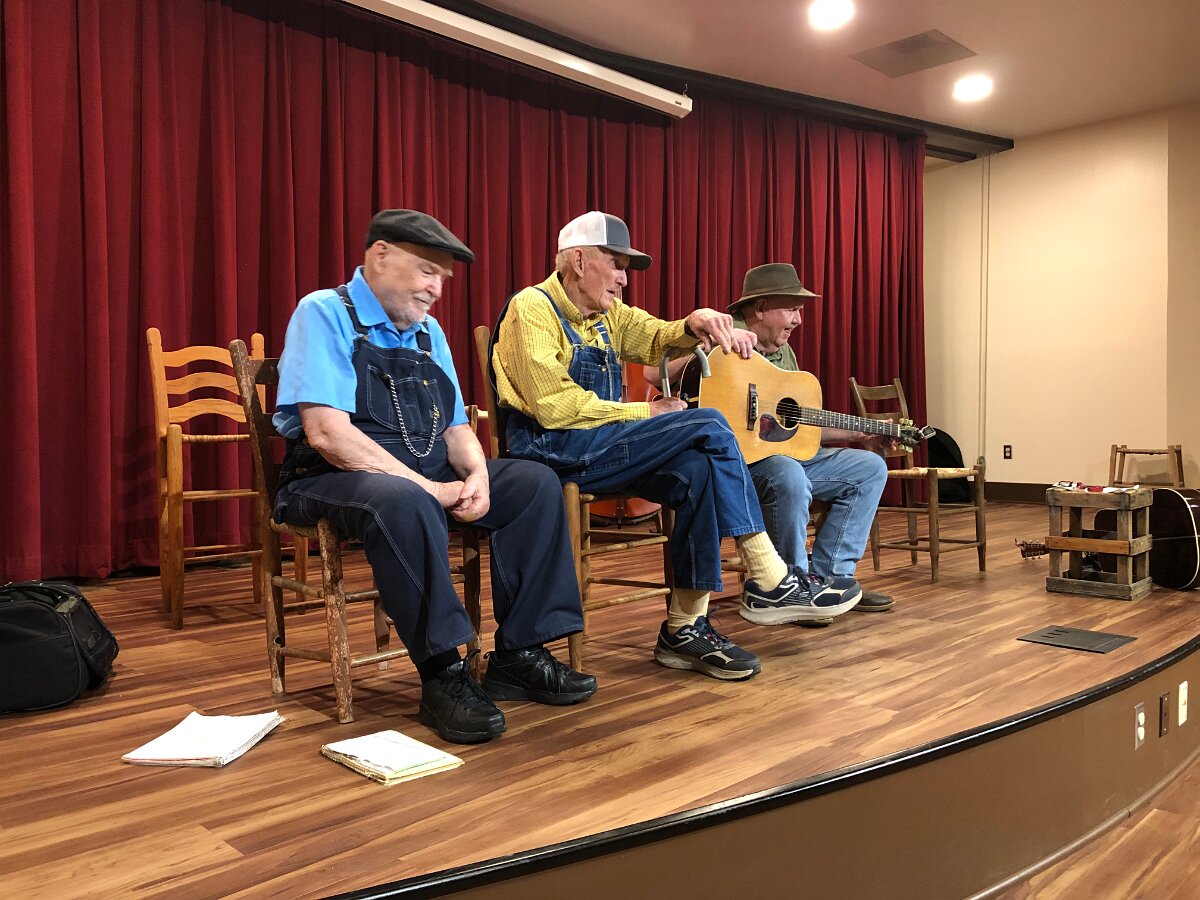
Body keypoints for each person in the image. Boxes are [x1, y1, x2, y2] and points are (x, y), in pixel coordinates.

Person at [490, 211, 863, 683]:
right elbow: (554, 407)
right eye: (617, 264)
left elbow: (655, 337)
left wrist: (693, 322)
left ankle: (684, 628)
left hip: (599, 445)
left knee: (698, 470)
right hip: (551, 448)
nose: (624, 279)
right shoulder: (533, 308)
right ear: (579, 262)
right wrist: (648, 413)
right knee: (707, 422)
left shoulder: (607, 316)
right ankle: (768, 573)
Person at [272, 209, 596, 745]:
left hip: (423, 469)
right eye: (427, 271)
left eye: (442, 278)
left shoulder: (427, 333)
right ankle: (443, 673)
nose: (436, 289)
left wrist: (478, 476)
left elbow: (454, 427)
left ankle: (520, 655)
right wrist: (432, 489)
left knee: (533, 483)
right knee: (404, 501)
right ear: (380, 256)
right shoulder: (325, 312)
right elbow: (328, 434)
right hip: (329, 475)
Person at [649, 263, 894, 623]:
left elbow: (798, 427)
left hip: (782, 455)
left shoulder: (783, 354)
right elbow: (652, 372)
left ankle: (831, 579)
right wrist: (707, 351)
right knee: (788, 474)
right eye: (791, 309)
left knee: (869, 468)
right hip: (735, 464)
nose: (798, 320)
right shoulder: (725, 335)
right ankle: (788, 584)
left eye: (799, 311)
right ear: (761, 308)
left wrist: (860, 434)